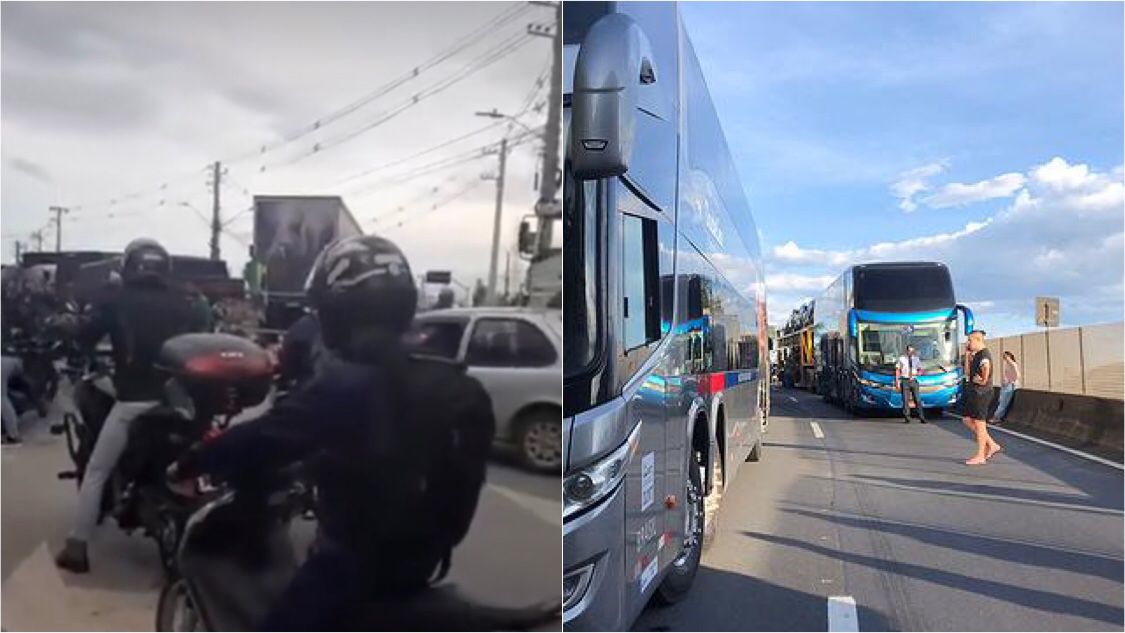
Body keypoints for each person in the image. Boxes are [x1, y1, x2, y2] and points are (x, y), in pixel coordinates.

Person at [168, 235, 494, 631]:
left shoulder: (352, 382)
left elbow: (267, 435)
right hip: (419, 564)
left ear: (339, 311)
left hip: (351, 568)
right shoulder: (448, 379)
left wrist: (192, 462)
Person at [55, 238, 210, 573]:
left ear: (129, 267)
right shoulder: (185, 300)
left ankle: (77, 547)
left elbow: (85, 334)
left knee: (96, 471)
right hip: (180, 401)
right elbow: (204, 333)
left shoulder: (117, 300)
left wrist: (74, 334)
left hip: (134, 401)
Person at [961, 330, 1002, 465]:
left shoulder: (984, 355)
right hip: (975, 392)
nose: (968, 343)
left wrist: (981, 380)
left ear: (978, 340)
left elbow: (985, 374)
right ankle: (992, 444)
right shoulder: (976, 355)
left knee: (980, 424)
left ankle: (980, 455)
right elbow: (968, 373)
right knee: (967, 419)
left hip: (982, 393)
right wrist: (968, 356)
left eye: (970, 340)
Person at [896, 344, 926, 424]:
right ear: (906, 351)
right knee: (905, 400)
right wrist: (897, 382)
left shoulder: (916, 359)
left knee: (917, 399)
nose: (911, 352)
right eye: (909, 351)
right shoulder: (901, 359)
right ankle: (907, 417)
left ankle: (921, 417)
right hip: (905, 380)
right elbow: (898, 370)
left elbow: (921, 369)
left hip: (913, 380)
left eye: (912, 351)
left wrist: (919, 373)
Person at [990, 351, 1020, 423]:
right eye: (1004, 356)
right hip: (1005, 385)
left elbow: (1017, 375)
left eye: (1006, 356)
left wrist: (1010, 381)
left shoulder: (1013, 364)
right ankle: (997, 417)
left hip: (1010, 385)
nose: (1004, 358)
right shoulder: (1007, 365)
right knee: (1001, 401)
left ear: (1009, 356)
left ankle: (996, 417)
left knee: (1003, 402)